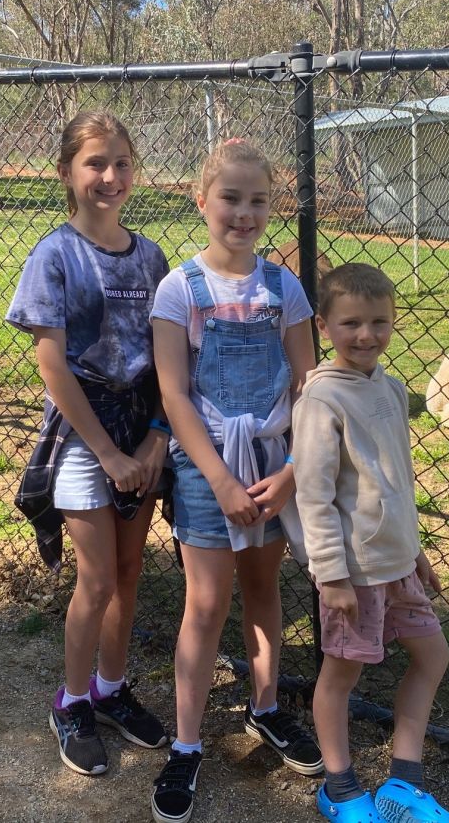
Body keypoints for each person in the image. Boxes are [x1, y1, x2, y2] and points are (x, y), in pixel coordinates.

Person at [150, 139, 323, 823]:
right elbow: (173, 396)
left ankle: (267, 707)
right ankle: (187, 745)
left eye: (258, 201)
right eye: (230, 198)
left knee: (263, 590)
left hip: (276, 460)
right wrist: (219, 479)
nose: (244, 214)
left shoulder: (285, 288)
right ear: (202, 202)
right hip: (206, 467)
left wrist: (288, 475)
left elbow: (311, 388)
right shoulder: (179, 290)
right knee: (205, 603)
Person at [7, 110, 171, 776]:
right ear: (67, 174)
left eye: (121, 163)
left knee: (129, 574)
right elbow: (54, 366)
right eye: (95, 164)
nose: (110, 176)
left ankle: (110, 686)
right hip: (84, 436)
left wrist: (158, 437)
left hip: (143, 430)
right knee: (97, 577)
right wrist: (108, 452)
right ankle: (71, 701)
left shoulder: (152, 255)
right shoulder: (55, 255)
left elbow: (168, 358)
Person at [293, 264, 449, 823]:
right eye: (351, 323)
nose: (366, 335)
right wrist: (331, 575)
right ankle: (338, 788)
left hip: (398, 563)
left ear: (394, 321)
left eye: (379, 322)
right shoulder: (321, 400)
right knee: (341, 675)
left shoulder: (391, 389)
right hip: (355, 572)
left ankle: (403, 783)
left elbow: (397, 481)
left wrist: (417, 552)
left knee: (432, 655)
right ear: (324, 326)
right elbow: (313, 495)